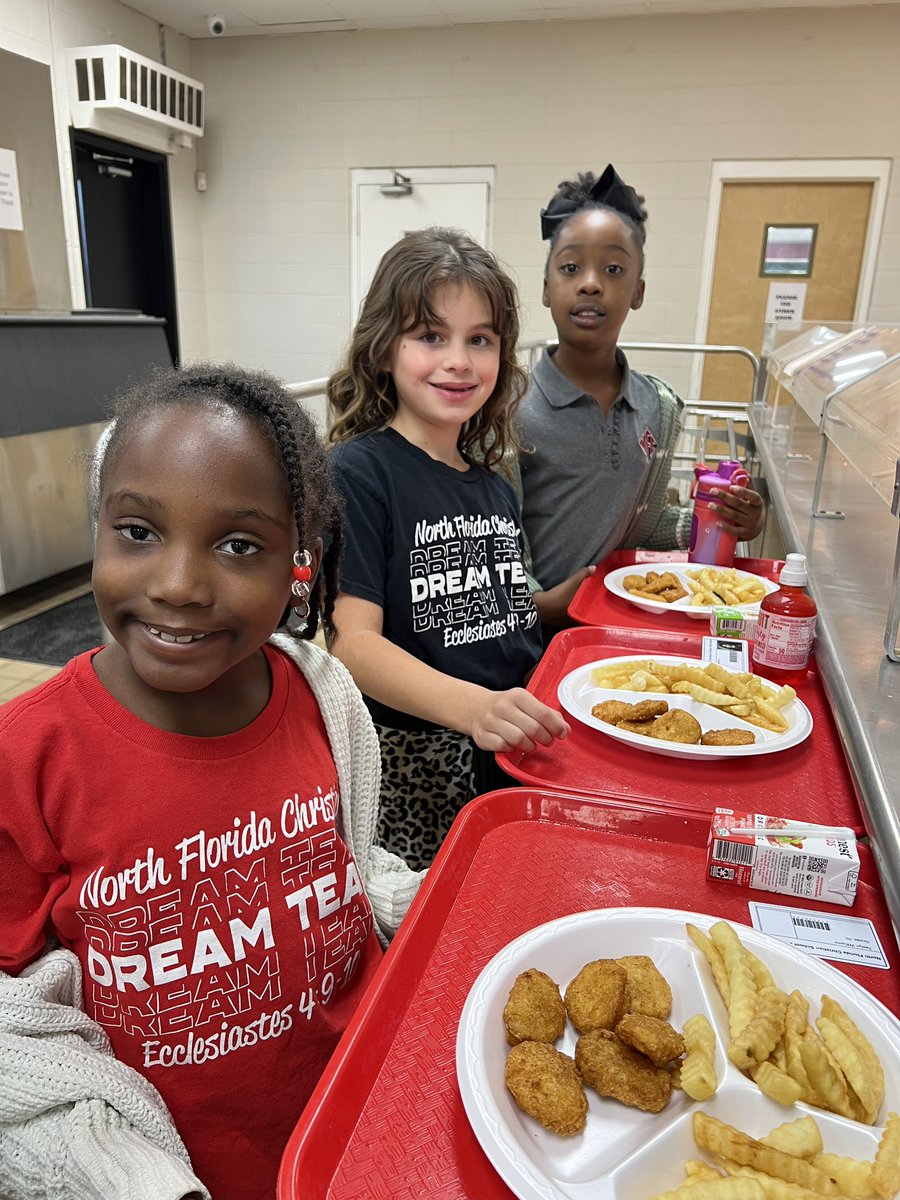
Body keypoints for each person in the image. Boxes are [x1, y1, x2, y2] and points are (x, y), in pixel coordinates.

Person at [0, 365, 423, 1200]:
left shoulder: (318, 695)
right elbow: (17, 1013)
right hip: (192, 1171)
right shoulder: (30, 752)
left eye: (238, 546)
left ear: (299, 564)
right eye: (137, 532)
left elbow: (349, 860)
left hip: (367, 1111)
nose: (180, 584)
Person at [327, 227, 568, 871]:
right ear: (383, 349)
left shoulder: (495, 486)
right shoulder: (359, 471)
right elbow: (351, 643)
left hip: (511, 749)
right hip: (422, 770)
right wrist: (474, 708)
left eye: (479, 339)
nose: (458, 360)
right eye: (431, 336)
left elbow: (500, 618)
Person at [517, 165, 766, 628]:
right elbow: (495, 534)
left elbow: (643, 525)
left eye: (613, 269)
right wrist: (539, 603)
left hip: (613, 622)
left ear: (638, 291)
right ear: (547, 289)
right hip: (525, 632)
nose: (591, 283)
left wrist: (721, 522)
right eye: (571, 268)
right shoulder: (508, 407)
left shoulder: (658, 406)